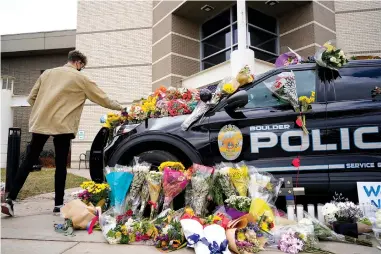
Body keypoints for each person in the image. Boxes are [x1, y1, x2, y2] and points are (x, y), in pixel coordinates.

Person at [1, 50, 124, 216]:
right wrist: (122, 108)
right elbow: (103, 99)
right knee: (60, 165)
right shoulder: (81, 78)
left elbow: (31, 98)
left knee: (29, 160)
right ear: (79, 63)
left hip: (41, 122)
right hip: (63, 125)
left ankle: (10, 200)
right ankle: (58, 204)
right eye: (81, 67)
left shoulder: (47, 74)